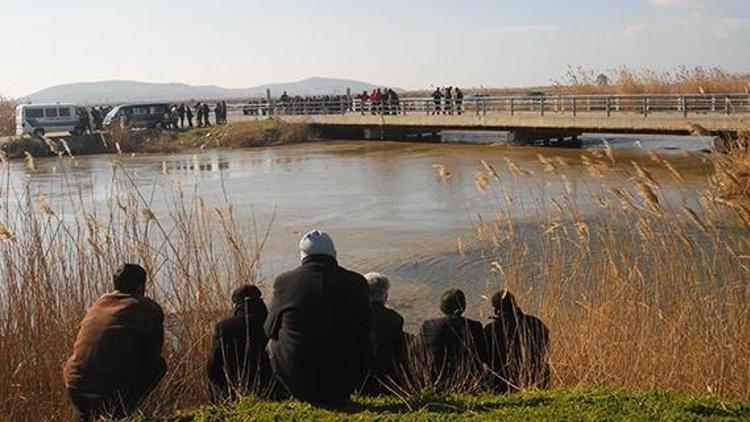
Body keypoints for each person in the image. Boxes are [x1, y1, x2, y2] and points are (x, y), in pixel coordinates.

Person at [264, 230, 372, 405]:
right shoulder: (357, 282)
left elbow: (268, 329)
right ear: (334, 254)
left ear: (302, 256)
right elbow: (367, 326)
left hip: (299, 383)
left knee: (273, 341)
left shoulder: (284, 282)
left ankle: (281, 393)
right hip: (347, 380)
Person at [63, 264, 166, 422]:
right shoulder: (147, 307)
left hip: (75, 387)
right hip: (109, 392)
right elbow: (153, 354)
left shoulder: (99, 302)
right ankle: (122, 412)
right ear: (141, 286)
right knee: (158, 366)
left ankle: (89, 415)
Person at [207, 285, 272, 400]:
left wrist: (226, 394)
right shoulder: (270, 324)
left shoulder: (224, 328)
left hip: (236, 390)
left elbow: (212, 368)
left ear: (237, 305)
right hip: (270, 389)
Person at [483, 290, 550, 393]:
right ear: (514, 305)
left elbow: (485, 358)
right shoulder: (536, 323)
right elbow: (544, 348)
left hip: (501, 383)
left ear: (496, 310)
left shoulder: (490, 330)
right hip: (535, 379)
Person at [419, 289, 486, 386]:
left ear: (442, 307)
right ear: (463, 307)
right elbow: (483, 355)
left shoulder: (429, 326)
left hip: (437, 381)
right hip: (470, 381)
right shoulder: (475, 327)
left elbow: (415, 352)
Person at [362, 272, 406, 395]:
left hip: (360, 377)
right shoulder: (396, 318)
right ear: (385, 295)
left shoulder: (356, 316)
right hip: (387, 378)